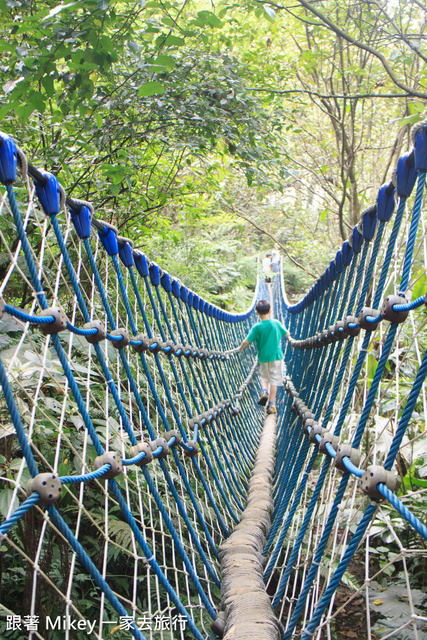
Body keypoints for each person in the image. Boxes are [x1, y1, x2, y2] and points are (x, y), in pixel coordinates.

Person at [239, 299, 290, 415]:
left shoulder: (256, 327)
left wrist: (239, 349)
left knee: (264, 378)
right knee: (274, 381)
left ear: (256, 312)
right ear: (270, 310)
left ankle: (264, 391)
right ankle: (271, 405)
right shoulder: (276, 323)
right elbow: (287, 334)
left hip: (263, 357)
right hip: (277, 357)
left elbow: (246, 341)